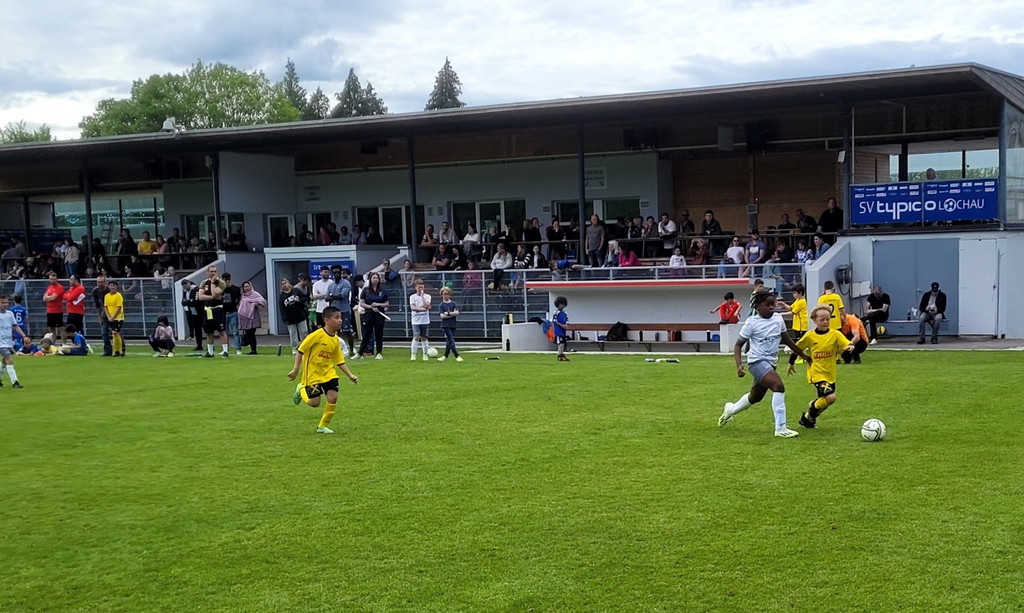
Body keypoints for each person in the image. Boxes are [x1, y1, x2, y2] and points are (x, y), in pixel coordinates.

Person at [718, 290, 810, 438]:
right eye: (767, 304)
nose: (771, 307)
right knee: (778, 386)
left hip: (771, 363)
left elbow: (786, 339)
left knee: (755, 397)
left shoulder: (778, 319)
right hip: (756, 362)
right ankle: (780, 428)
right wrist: (739, 365)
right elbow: (738, 345)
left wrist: (802, 355)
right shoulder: (751, 322)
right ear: (758, 306)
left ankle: (730, 409)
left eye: (772, 304)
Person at [287, 306, 359, 434]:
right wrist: (295, 369)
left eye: (340, 318)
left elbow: (339, 361)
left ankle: (322, 426)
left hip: (328, 373)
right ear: (327, 320)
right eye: (337, 318)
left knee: (333, 397)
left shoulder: (336, 340)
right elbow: (300, 351)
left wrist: (350, 375)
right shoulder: (316, 336)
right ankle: (300, 388)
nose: (340, 320)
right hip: (313, 374)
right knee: (314, 403)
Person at [788, 305, 855, 429]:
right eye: (822, 319)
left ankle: (808, 419)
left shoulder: (835, 334)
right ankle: (811, 407)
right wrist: (791, 363)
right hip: (816, 373)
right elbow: (796, 349)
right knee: (831, 397)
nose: (825, 322)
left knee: (825, 403)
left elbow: (846, 342)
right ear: (814, 320)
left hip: (830, 374)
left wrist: (849, 346)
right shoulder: (810, 336)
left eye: (827, 319)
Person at [197, 265, 229, 358]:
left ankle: (225, 351)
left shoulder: (221, 283)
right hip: (207, 309)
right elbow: (201, 296)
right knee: (209, 332)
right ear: (207, 272)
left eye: (215, 271)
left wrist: (212, 282)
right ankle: (210, 352)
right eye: (211, 271)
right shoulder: (203, 282)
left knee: (221, 331)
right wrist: (212, 297)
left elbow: (215, 292)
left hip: (217, 309)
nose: (213, 273)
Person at [358, 272, 389, 359]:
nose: (375, 280)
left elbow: (387, 303)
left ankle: (379, 352)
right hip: (368, 315)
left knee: (379, 334)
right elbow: (362, 303)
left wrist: (378, 305)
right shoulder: (366, 290)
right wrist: (371, 307)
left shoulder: (382, 291)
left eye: (377, 278)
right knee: (366, 334)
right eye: (374, 278)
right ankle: (360, 353)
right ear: (370, 279)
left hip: (379, 315)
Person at [0, 294, 27, 388]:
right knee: (9, 359)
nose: (5, 304)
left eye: (7, 302)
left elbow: (15, 326)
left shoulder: (9, 314)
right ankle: (15, 381)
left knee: (4, 360)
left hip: (8, 341)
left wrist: (24, 336)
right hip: (0, 342)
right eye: (3, 302)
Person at [279, 277, 310, 355]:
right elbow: (282, 307)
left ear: (289, 283)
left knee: (304, 332)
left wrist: (299, 301)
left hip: (300, 316)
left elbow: (304, 297)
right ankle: (295, 349)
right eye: (282, 284)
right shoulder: (282, 296)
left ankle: (305, 347)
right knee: (293, 334)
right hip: (290, 318)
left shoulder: (295, 291)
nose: (284, 285)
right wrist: (284, 318)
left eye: (285, 283)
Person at [327, 266, 354, 355]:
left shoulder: (346, 283)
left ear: (341, 273)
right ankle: (335, 351)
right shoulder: (331, 285)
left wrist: (332, 295)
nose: (336, 274)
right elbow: (326, 298)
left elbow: (343, 295)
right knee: (334, 332)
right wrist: (334, 296)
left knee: (347, 331)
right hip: (334, 310)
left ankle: (351, 350)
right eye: (334, 273)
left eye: (338, 272)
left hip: (344, 310)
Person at [238, 281, 268, 355]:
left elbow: (263, 301)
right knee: (248, 334)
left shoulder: (255, 294)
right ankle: (252, 349)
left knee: (251, 334)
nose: (246, 288)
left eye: (248, 286)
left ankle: (254, 350)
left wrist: (254, 304)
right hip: (245, 319)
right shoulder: (244, 296)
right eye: (245, 287)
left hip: (253, 317)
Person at [436, 286, 462, 362]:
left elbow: (456, 313)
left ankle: (445, 356)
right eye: (444, 294)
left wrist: (447, 313)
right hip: (445, 325)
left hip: (453, 324)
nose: (446, 296)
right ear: (442, 295)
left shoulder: (453, 303)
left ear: (449, 295)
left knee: (448, 341)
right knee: (451, 340)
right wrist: (451, 314)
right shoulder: (441, 305)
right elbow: (442, 316)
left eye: (447, 294)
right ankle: (457, 355)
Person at [409, 280, 432, 361]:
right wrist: (422, 309)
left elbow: (427, 305)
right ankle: (413, 355)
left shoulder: (427, 296)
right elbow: (413, 308)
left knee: (424, 337)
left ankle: (425, 355)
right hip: (416, 321)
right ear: (415, 288)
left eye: (422, 287)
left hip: (425, 320)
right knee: (416, 336)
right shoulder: (412, 297)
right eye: (419, 287)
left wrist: (422, 297)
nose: (420, 289)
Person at [103, 280, 125, 357]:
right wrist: (109, 316)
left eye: (114, 285)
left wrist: (113, 317)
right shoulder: (107, 296)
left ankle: (119, 350)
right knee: (114, 334)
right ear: (109, 287)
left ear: (116, 287)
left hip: (118, 318)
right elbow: (105, 307)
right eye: (111, 285)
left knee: (115, 333)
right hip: (111, 318)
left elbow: (119, 307)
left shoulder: (118, 296)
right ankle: (117, 350)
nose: (112, 287)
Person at [222, 273, 242, 355]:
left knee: (235, 331)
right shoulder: (220, 289)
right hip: (224, 312)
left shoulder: (236, 289)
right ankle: (226, 349)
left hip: (233, 312)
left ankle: (238, 348)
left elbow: (239, 299)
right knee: (224, 332)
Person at [92, 274, 113, 356]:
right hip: (104, 312)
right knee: (104, 332)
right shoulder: (95, 291)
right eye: (98, 282)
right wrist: (99, 317)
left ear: (105, 282)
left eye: (101, 282)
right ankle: (107, 350)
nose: (100, 284)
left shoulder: (109, 290)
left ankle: (121, 349)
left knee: (116, 332)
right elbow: (97, 305)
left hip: (112, 311)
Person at [43, 271, 65, 343]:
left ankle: (63, 342)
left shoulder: (59, 287)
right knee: (51, 329)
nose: (52, 281)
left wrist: (48, 297)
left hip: (57, 310)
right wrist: (48, 297)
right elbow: (44, 298)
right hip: (49, 310)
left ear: (57, 279)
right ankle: (53, 343)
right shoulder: (49, 287)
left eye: (54, 279)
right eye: (51, 279)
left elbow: (53, 298)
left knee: (60, 328)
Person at [553, 295, 569, 361]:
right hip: (558, 331)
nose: (563, 306)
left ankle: (562, 355)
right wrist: (562, 325)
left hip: (563, 331)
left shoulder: (565, 313)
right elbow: (554, 321)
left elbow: (567, 320)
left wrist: (566, 325)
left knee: (563, 343)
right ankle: (560, 356)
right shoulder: (556, 312)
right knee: (560, 343)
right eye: (561, 304)